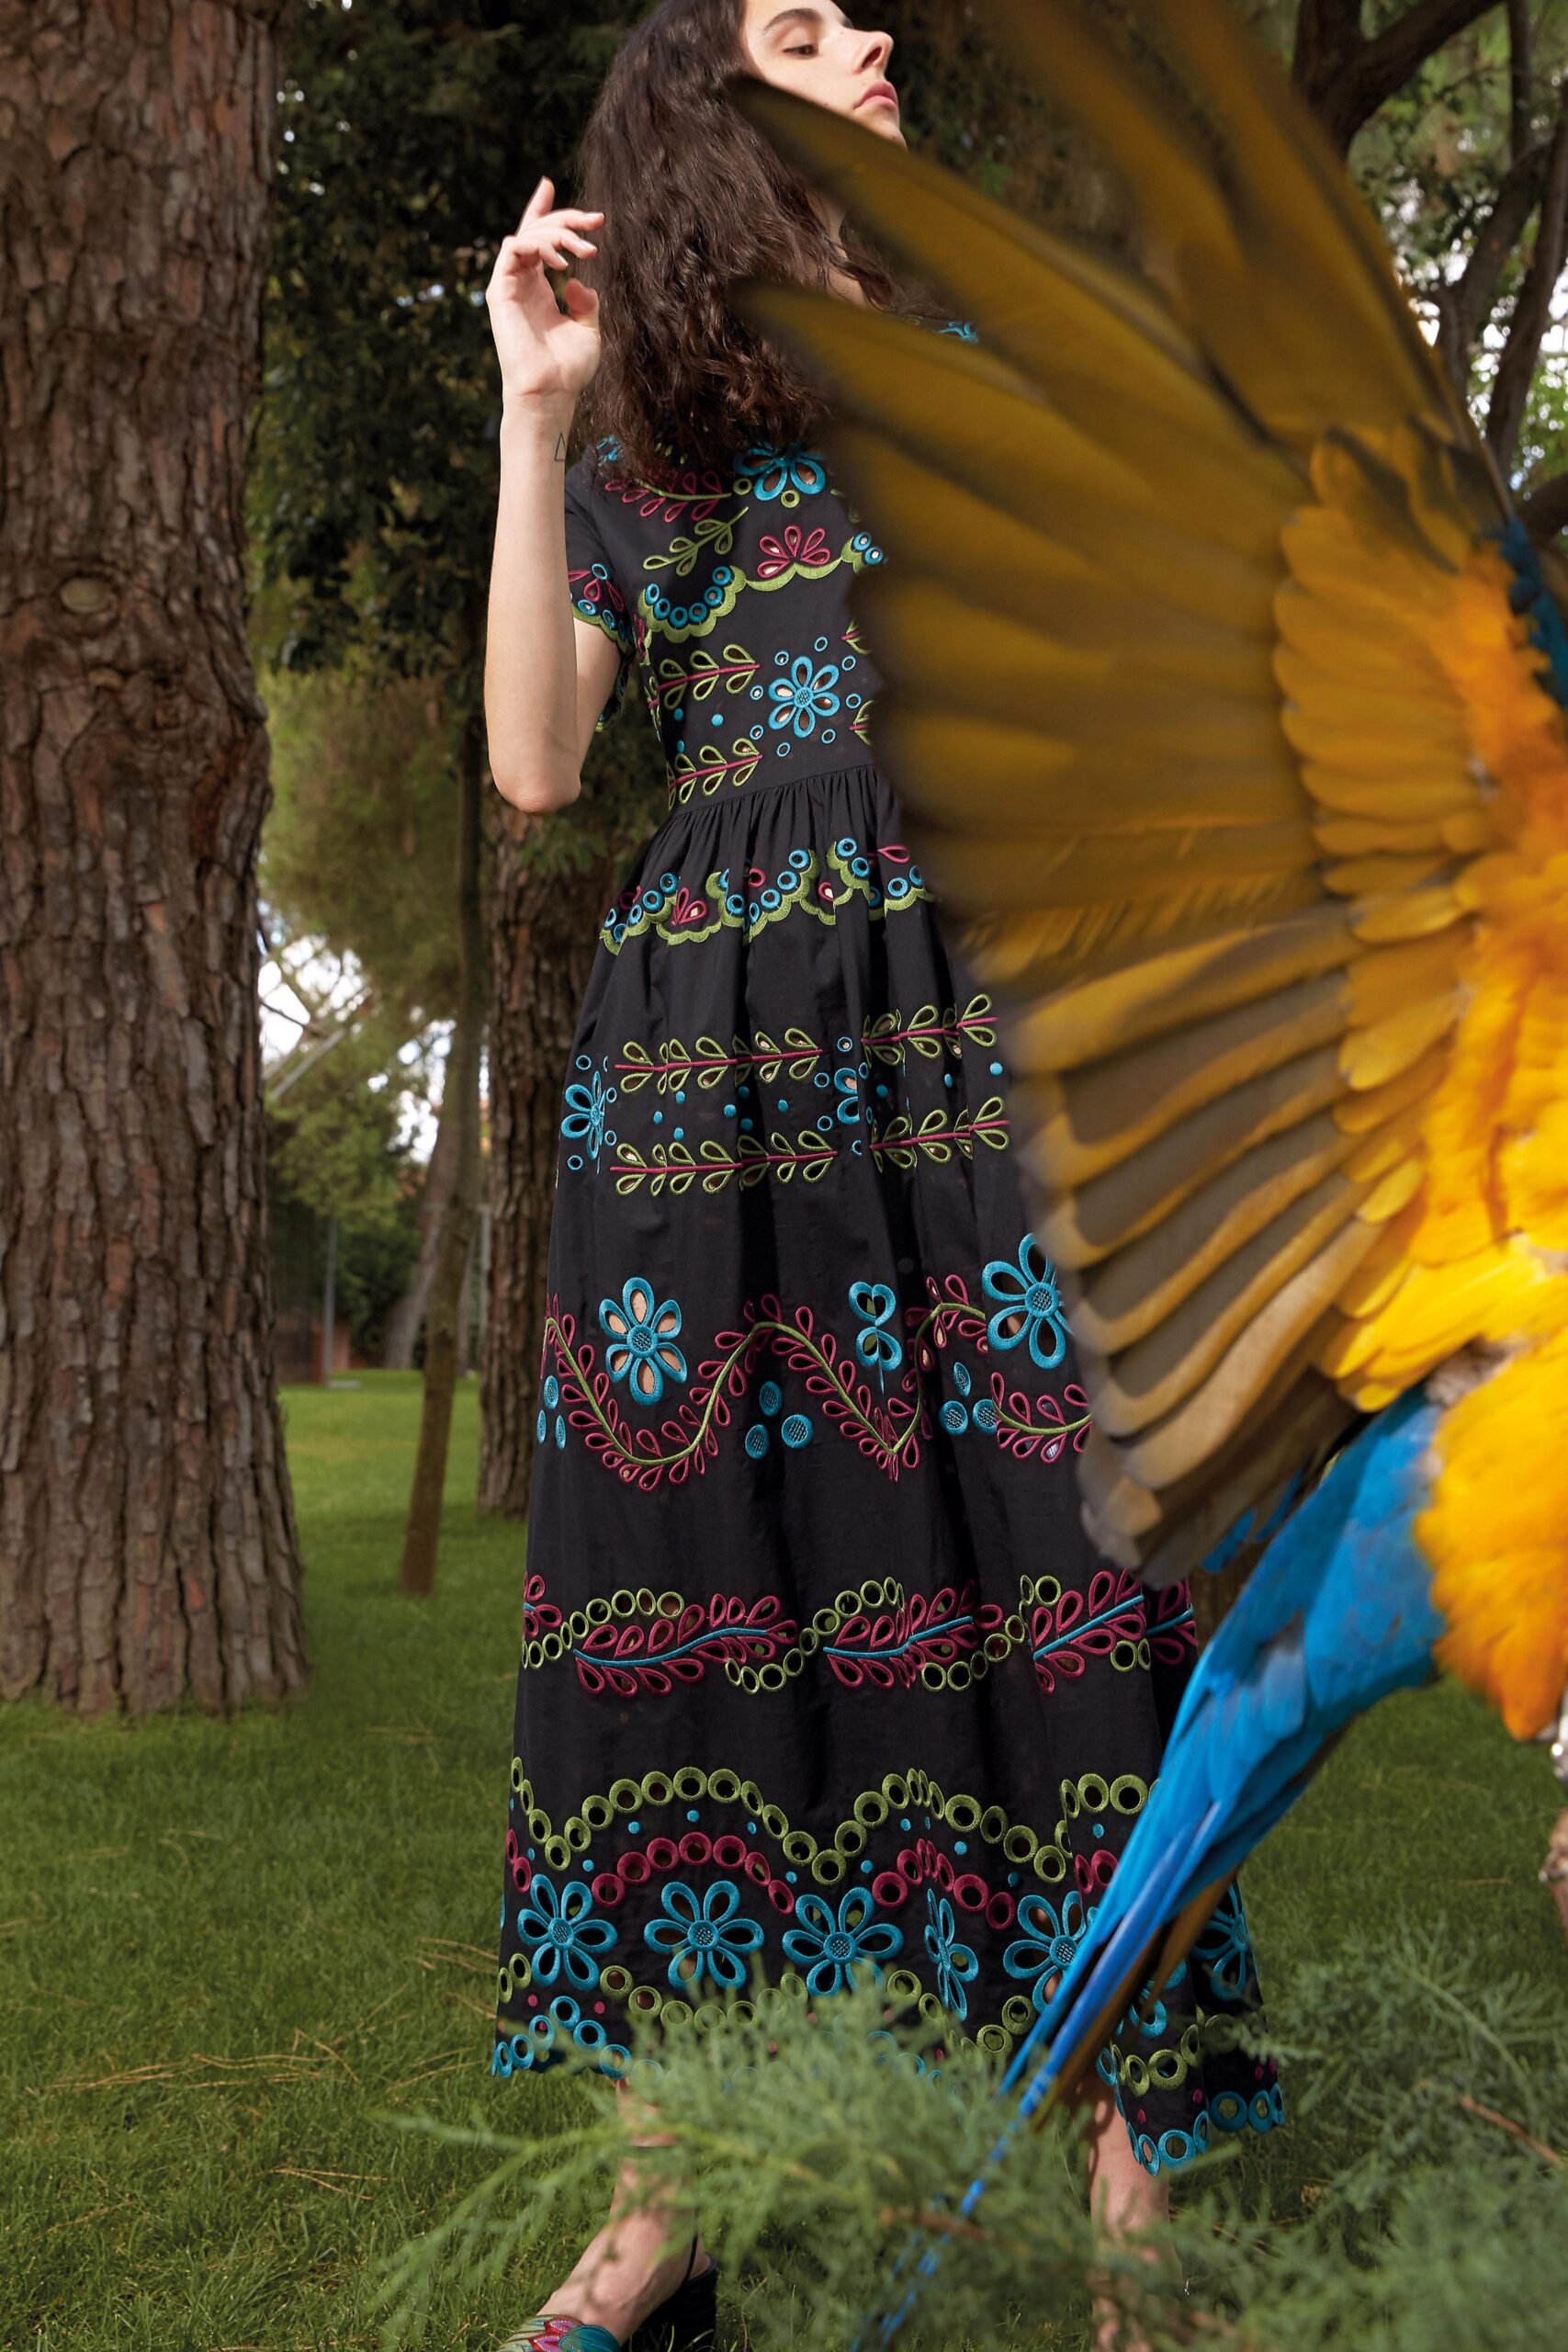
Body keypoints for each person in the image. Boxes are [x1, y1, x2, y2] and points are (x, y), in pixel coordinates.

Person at [481, 6, 1281, 2346]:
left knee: (1072, 1548)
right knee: (684, 1567)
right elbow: (538, 758)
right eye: (809, 27)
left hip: (977, 1016)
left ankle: (1140, 2179)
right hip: (708, 1061)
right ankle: (669, 2199)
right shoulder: (647, 432)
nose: (878, 38)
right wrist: (533, 418)